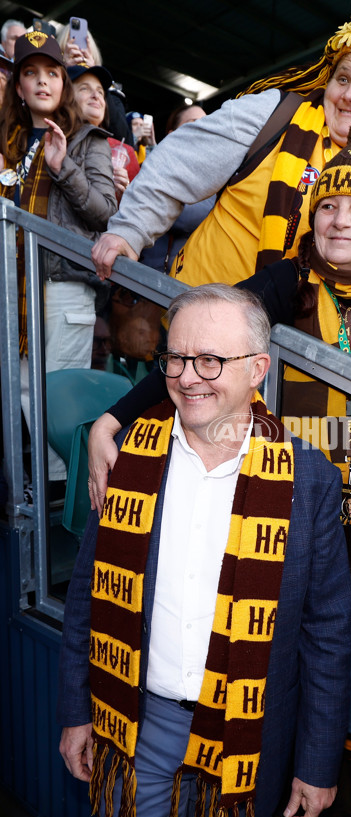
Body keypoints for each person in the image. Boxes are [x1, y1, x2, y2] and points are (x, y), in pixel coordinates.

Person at [85, 116, 351, 757]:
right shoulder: (285, 282)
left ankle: (335, 789)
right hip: (287, 527)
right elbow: (205, 342)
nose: (340, 220)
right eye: (328, 205)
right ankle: (290, 776)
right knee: (286, 664)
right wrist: (116, 417)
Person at [57, 283, 351, 817]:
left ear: (257, 371)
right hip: (133, 722)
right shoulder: (127, 463)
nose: (189, 377)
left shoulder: (309, 479)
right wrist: (75, 712)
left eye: (213, 360)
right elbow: (88, 600)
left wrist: (317, 765)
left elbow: (327, 634)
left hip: (247, 735)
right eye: (176, 358)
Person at [90, 5, 351, 287]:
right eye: (342, 78)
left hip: (287, 356)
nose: (350, 94)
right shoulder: (272, 113)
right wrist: (129, 232)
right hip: (194, 322)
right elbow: (176, 164)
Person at [0, 31, 117, 487]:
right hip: (17, 288)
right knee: (27, 394)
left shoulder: (89, 139)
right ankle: (49, 495)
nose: (43, 82)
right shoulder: (8, 143)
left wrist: (62, 166)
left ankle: (64, 502)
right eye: (31, 73)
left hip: (63, 286)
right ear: (20, 86)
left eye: (52, 73)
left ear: (63, 84)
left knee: (57, 397)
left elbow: (104, 213)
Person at [139, 102, 215, 274]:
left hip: (186, 283)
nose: (203, 128)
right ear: (172, 135)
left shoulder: (215, 173)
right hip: (144, 279)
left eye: (208, 122)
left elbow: (187, 217)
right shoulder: (153, 168)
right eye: (194, 122)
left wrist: (155, 201)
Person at [67, 63, 139, 199]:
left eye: (100, 91)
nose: (96, 96)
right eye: (85, 89)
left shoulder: (125, 151)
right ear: (66, 96)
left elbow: (141, 211)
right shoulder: (53, 140)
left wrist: (126, 194)